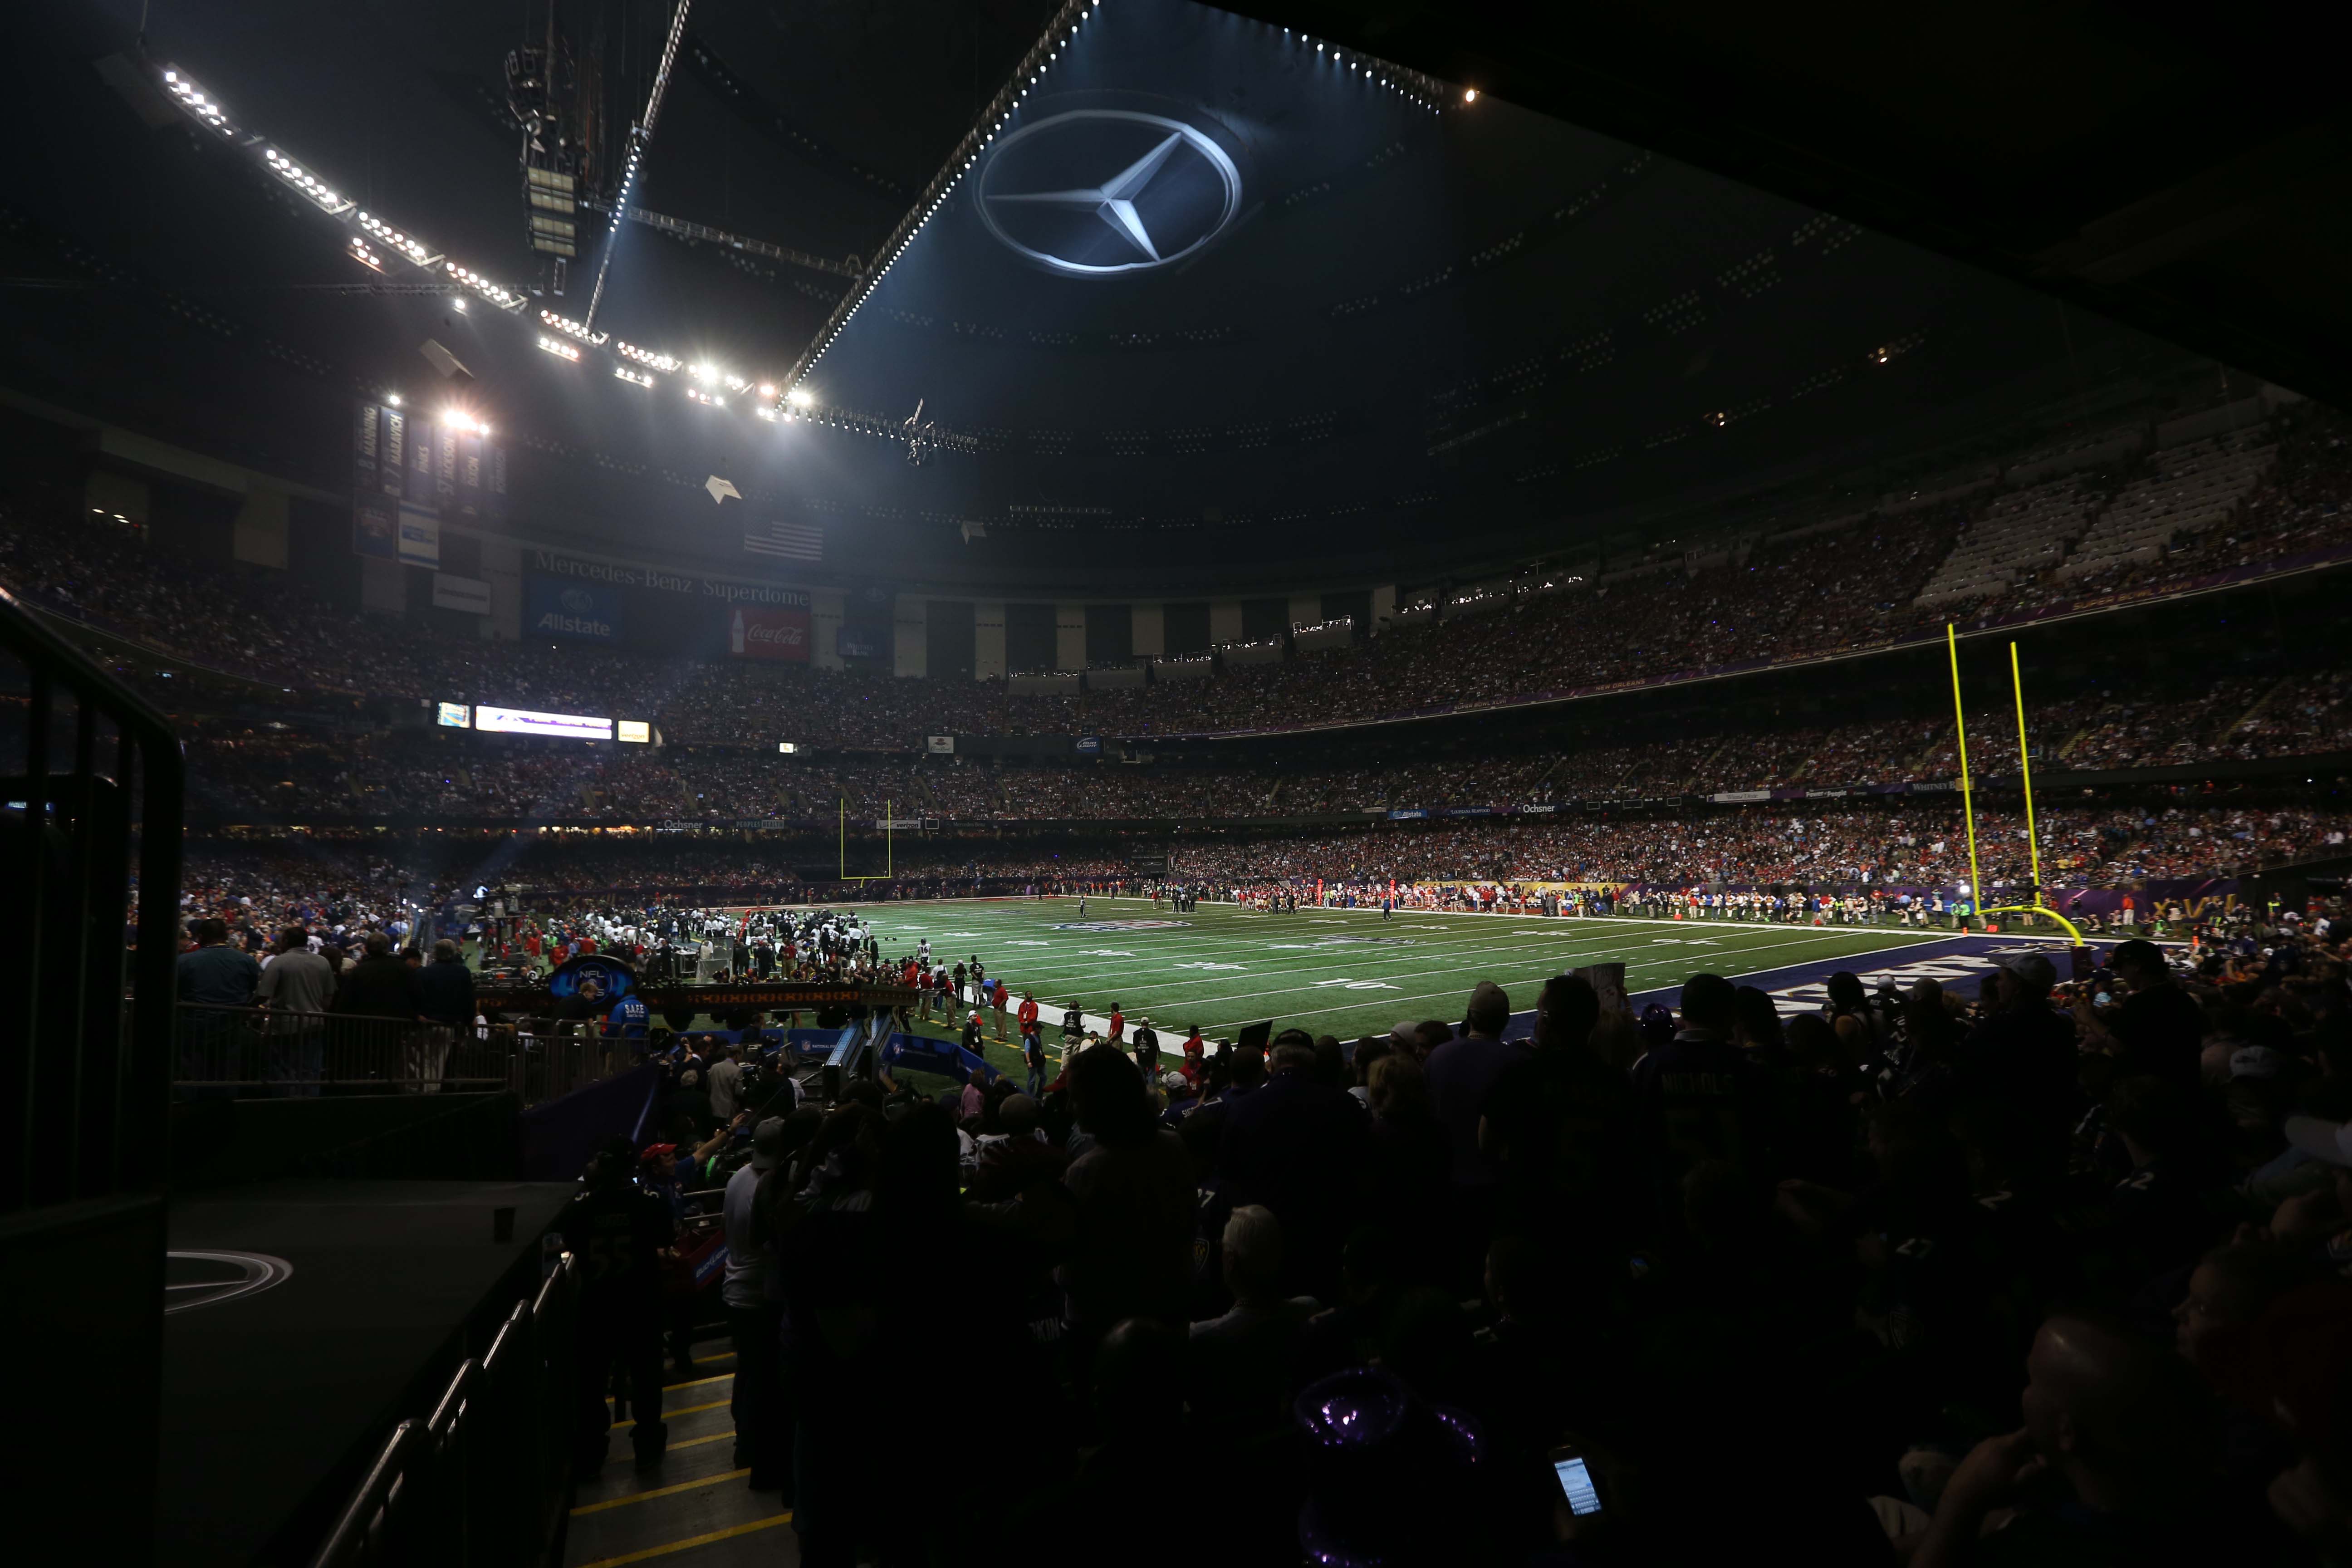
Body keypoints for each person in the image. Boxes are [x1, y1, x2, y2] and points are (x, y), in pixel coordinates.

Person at [561, 1138, 676, 1476]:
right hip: (640, 1302)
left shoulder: (581, 1206)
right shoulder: (649, 1202)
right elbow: (666, 1239)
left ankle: (592, 1450)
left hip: (596, 1303)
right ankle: (647, 1446)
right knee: (646, 1378)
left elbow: (571, 1241)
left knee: (592, 1381)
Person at [722, 1117, 789, 1493]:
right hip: (757, 1292)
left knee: (748, 1371)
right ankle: (751, 1449)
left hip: (736, 1289)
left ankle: (744, 1442)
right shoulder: (766, 1187)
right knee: (763, 1380)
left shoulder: (737, 1179)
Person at [254, 925, 334, 1096]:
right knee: (310, 1072)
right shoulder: (322, 962)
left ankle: (284, 1109)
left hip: (284, 1026)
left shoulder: (279, 961)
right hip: (315, 1024)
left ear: (287, 941)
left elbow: (263, 994)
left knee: (281, 1072)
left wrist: (246, 1008)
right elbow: (329, 997)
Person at [413, 938, 475, 1090]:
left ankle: (421, 1094)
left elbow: (415, 998)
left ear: (435, 953)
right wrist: (468, 1022)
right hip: (448, 1026)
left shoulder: (422, 973)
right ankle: (433, 1093)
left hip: (425, 1024)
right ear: (453, 953)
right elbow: (468, 1000)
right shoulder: (462, 973)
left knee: (422, 1063)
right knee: (439, 1063)